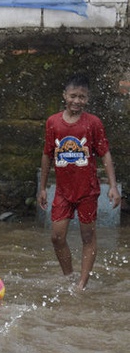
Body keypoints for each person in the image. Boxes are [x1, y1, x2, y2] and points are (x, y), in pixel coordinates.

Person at [37, 74, 120, 291]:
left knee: (87, 236)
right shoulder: (53, 122)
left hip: (87, 191)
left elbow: (105, 154)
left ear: (87, 99)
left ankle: (81, 285)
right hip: (63, 191)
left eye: (82, 97)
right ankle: (69, 277)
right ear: (65, 95)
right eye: (73, 96)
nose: (77, 101)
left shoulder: (93, 123)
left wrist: (112, 186)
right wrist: (43, 188)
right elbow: (47, 154)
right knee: (56, 237)